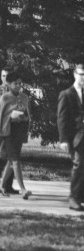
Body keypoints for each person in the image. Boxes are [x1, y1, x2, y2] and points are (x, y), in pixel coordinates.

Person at [0, 71, 32, 199]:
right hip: (8, 132)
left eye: (20, 83)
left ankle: (1, 185)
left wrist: (24, 117)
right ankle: (23, 189)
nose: (18, 86)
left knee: (11, 160)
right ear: (8, 84)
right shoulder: (5, 98)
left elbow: (28, 115)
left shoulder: (25, 97)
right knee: (15, 160)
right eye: (15, 83)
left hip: (19, 132)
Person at [57, 63, 84, 211]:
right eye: (81, 74)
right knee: (79, 164)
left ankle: (79, 197)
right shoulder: (66, 94)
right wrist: (63, 139)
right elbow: (62, 119)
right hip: (76, 138)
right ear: (75, 75)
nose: (83, 78)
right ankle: (73, 198)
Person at [0, 67, 19, 194]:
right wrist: (8, 113)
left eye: (7, 76)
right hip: (1, 127)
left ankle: (8, 185)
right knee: (0, 155)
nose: (5, 78)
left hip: (14, 127)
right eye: (3, 76)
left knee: (12, 156)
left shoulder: (16, 92)